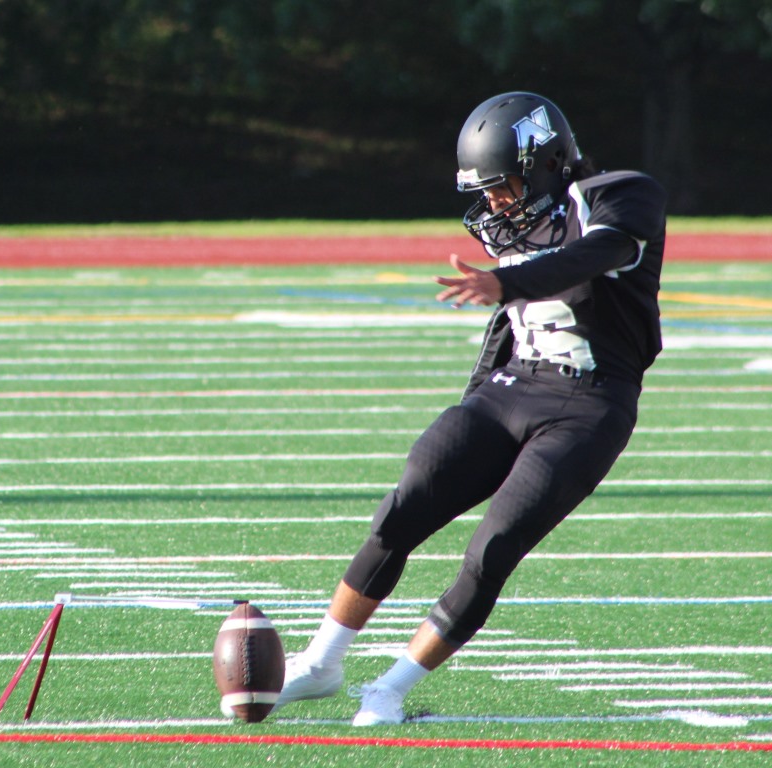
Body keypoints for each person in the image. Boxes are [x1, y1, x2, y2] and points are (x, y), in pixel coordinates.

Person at [269, 91, 667, 726]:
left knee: (492, 548)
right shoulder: (517, 219)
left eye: (505, 186)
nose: (496, 204)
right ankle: (321, 663)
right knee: (407, 502)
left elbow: (596, 255)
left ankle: (390, 690)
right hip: (512, 386)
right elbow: (508, 327)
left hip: (589, 404)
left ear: (546, 163)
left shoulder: (622, 195)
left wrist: (506, 280)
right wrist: (471, 410)